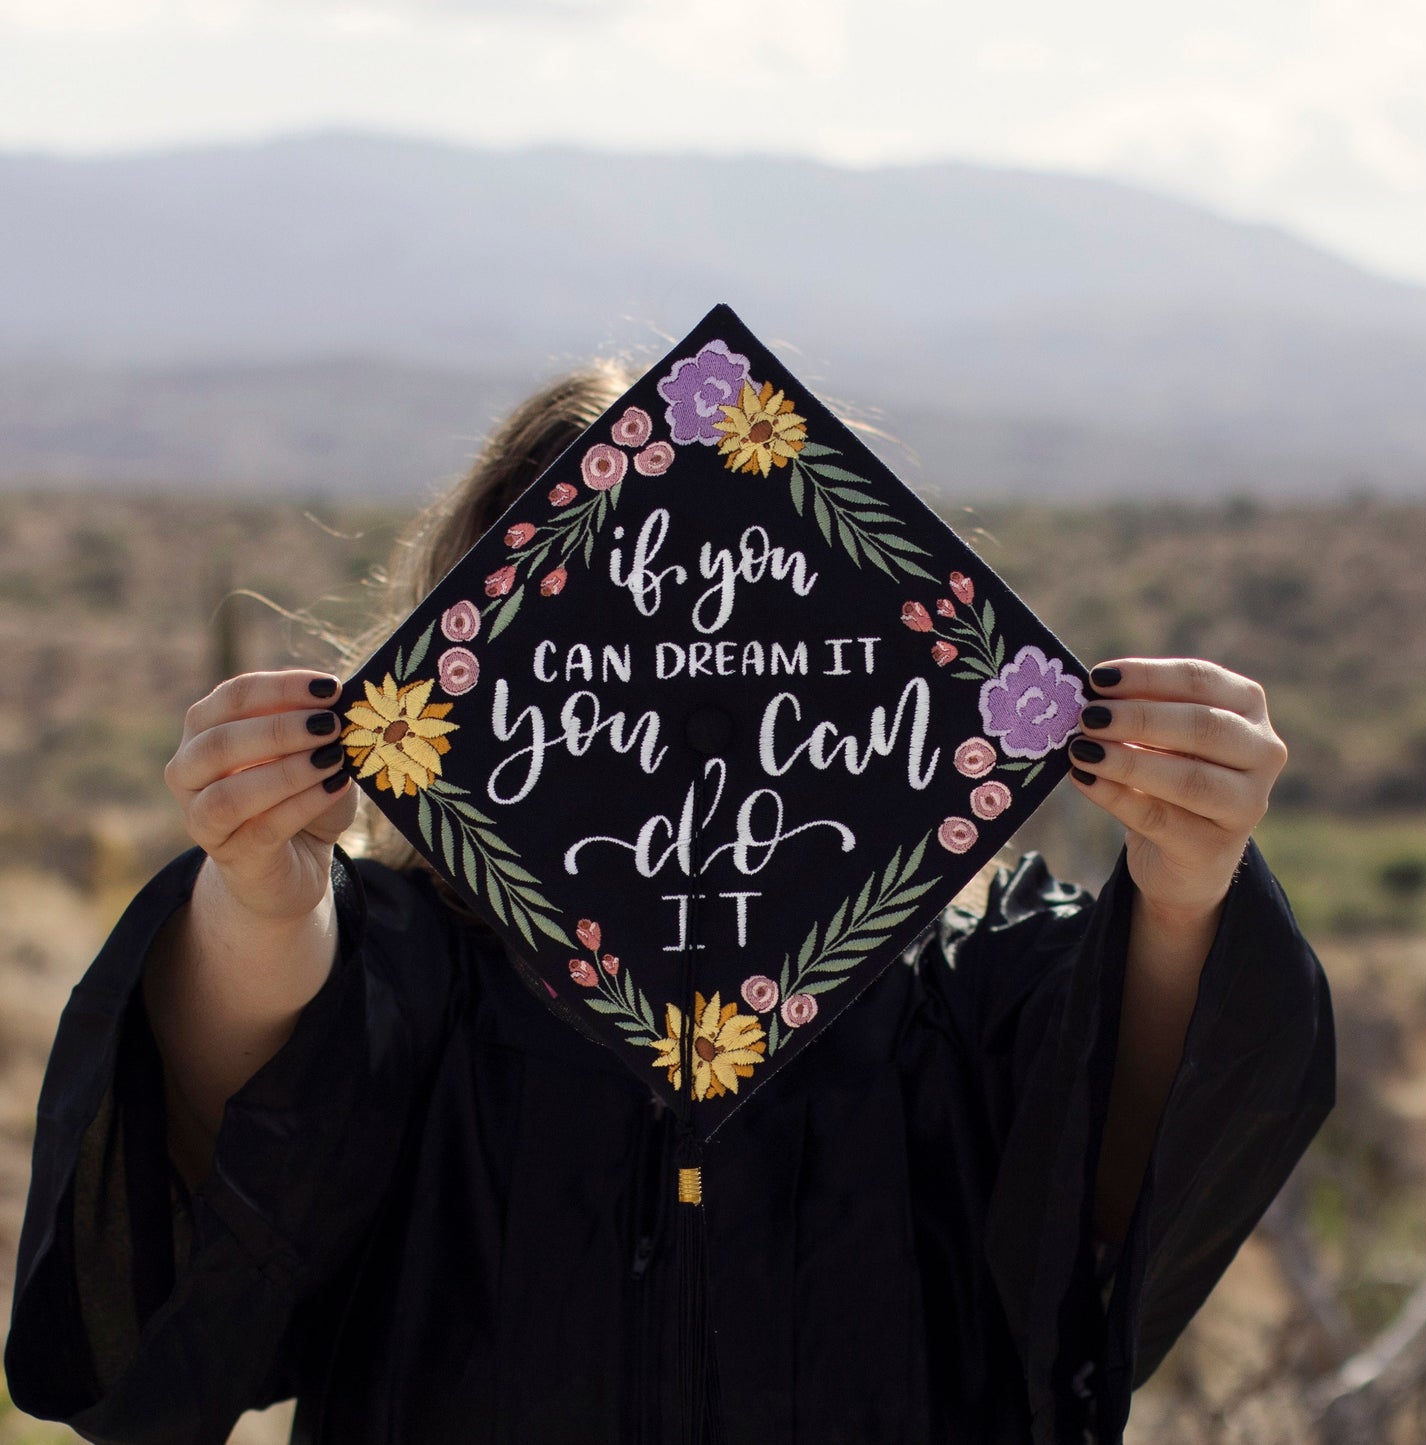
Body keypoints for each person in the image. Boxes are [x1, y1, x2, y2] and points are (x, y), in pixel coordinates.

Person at [6, 366, 1333, 1445]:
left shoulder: (944, 994)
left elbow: (1111, 1168)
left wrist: (1182, 880)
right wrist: (256, 896)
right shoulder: (421, 981)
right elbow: (257, 1065)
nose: (693, 726)